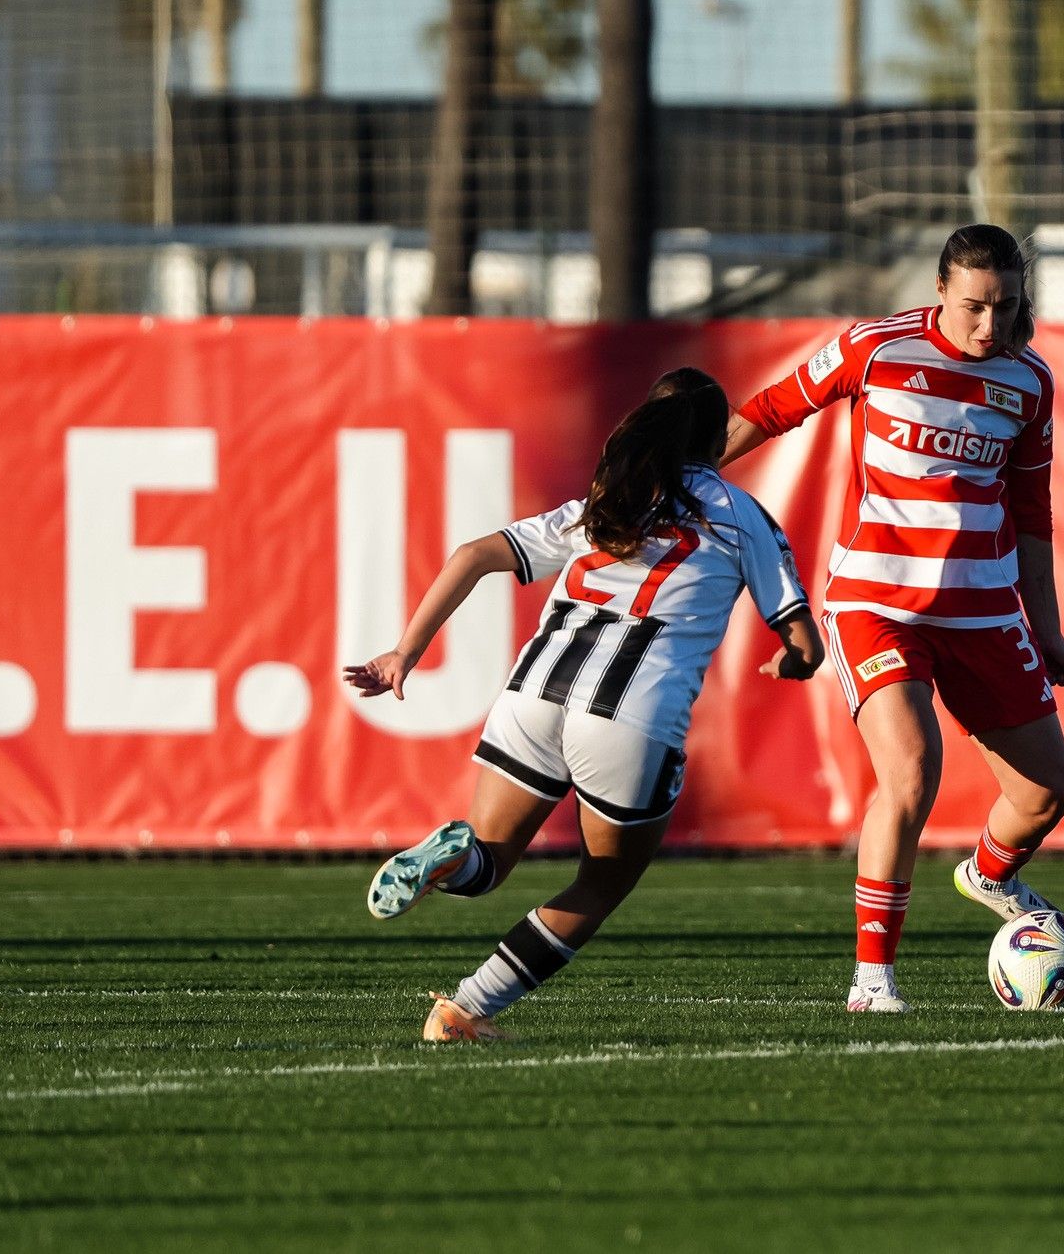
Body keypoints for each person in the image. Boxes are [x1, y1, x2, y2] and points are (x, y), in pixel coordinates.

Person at [345, 367, 822, 1042]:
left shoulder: (607, 503)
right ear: (719, 439)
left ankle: (452, 859)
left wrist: (404, 651)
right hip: (632, 717)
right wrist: (793, 662)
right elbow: (804, 639)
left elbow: (472, 553)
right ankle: (464, 1009)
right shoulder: (743, 515)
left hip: (534, 693)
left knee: (488, 863)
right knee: (600, 884)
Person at [724, 223, 1064, 1014]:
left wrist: (1046, 625)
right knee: (912, 773)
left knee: (1044, 793)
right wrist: (681, 477)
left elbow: (1032, 513)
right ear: (940, 294)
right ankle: (872, 980)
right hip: (877, 603)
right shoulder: (874, 348)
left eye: (1008, 308)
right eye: (975, 308)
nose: (991, 326)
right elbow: (773, 407)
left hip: (984, 610)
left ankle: (990, 874)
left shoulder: (1029, 383)